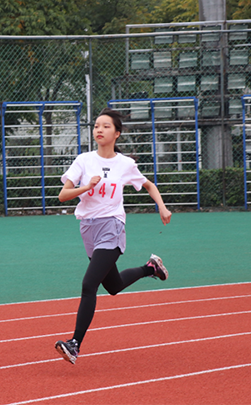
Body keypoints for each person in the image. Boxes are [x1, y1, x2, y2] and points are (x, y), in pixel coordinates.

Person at [54, 108, 171, 365]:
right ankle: (150, 268)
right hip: (88, 228)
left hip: (112, 226)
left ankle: (74, 344)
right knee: (114, 286)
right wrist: (87, 186)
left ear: (117, 133)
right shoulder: (84, 160)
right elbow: (63, 195)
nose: (99, 129)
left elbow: (148, 185)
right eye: (97, 125)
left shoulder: (125, 164)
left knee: (89, 284)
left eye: (106, 126)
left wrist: (162, 207)